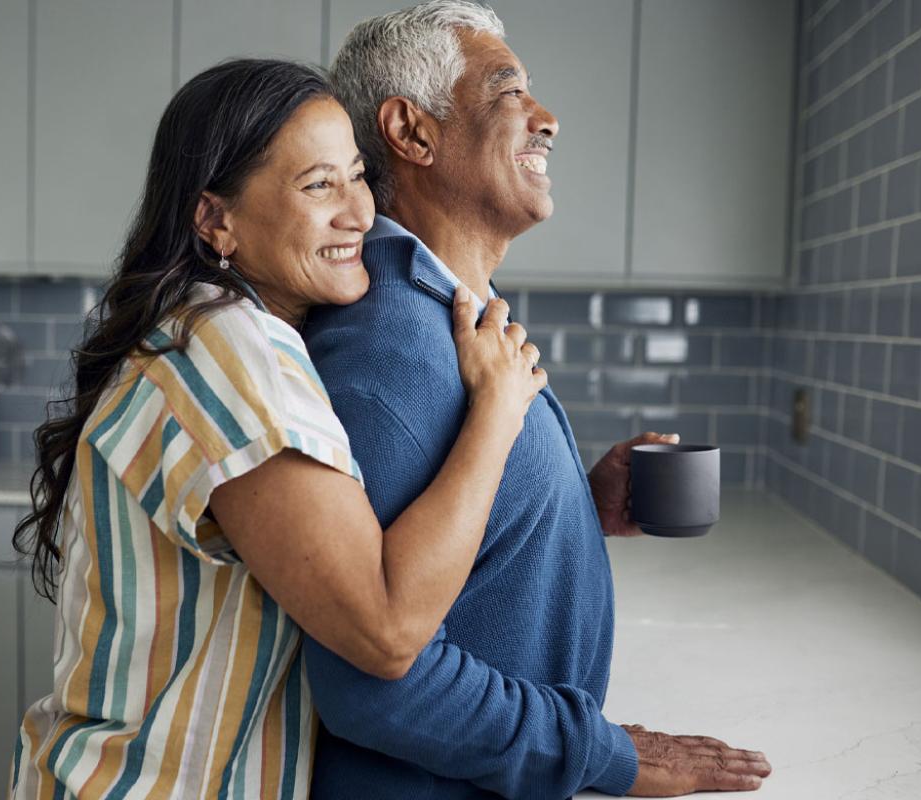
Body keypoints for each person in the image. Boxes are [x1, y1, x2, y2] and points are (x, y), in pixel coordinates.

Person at [7, 58, 547, 799]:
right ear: (215, 219)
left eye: (357, 175)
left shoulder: (221, 332)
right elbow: (387, 630)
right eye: (317, 185)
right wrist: (497, 412)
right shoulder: (229, 354)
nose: (358, 211)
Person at [300, 3, 774, 798]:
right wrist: (608, 755)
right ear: (412, 134)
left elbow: (447, 554)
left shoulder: (447, 313)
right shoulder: (391, 346)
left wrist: (579, 507)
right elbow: (375, 685)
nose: (546, 120)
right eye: (508, 92)